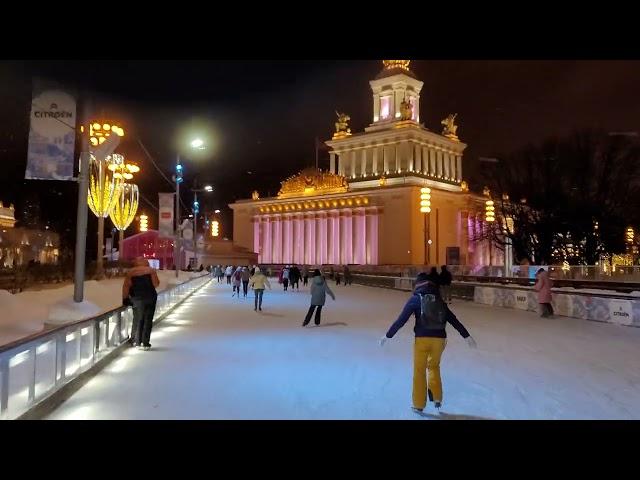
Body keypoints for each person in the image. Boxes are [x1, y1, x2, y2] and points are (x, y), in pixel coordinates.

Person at [379, 272, 476, 414]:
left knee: (419, 371)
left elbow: (401, 320)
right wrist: (466, 336)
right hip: (440, 340)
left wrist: (388, 336)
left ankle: (418, 404)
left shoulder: (415, 299)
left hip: (422, 339)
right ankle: (437, 397)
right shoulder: (439, 299)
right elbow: (453, 320)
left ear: (417, 284)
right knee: (434, 367)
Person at [122, 257, 160, 351]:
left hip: (137, 298)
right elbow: (156, 284)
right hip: (150, 297)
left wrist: (125, 298)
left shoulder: (130, 273)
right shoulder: (151, 271)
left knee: (138, 318)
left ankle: (136, 341)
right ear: (146, 263)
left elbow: (126, 286)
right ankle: (145, 342)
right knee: (148, 319)